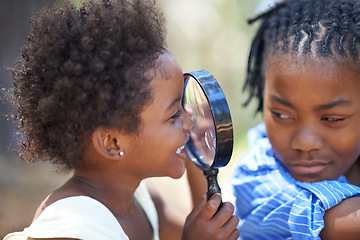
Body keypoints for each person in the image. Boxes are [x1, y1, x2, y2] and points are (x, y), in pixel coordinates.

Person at [3, 0, 240, 239]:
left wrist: (199, 156)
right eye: (174, 115)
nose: (189, 121)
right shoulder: (71, 227)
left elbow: (207, 231)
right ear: (112, 143)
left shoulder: (142, 200)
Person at [231, 0, 360, 239]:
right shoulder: (256, 176)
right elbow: (335, 221)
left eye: (332, 118)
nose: (305, 142)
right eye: (281, 115)